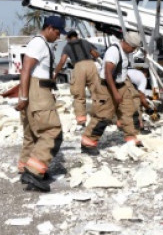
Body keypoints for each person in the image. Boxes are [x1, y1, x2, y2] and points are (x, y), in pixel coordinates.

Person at [15, 16, 66, 192]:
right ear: (50, 28)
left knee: (32, 133)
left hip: (37, 89)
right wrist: (23, 97)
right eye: (58, 32)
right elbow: (26, 69)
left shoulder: (43, 44)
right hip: (38, 90)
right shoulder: (38, 43)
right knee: (52, 130)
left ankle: (25, 166)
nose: (58, 37)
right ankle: (34, 172)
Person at [80, 31, 142, 154]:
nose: (134, 50)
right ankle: (88, 143)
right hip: (107, 87)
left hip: (121, 85)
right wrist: (115, 93)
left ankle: (132, 139)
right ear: (127, 43)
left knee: (130, 111)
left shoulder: (126, 52)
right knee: (103, 116)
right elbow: (108, 73)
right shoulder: (114, 51)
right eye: (133, 48)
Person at [52, 31, 100, 131]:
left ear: (68, 38)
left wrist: (55, 73)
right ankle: (99, 116)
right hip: (91, 65)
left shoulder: (67, 46)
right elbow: (95, 54)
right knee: (96, 93)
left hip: (78, 66)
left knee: (79, 95)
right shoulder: (85, 42)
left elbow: (62, 61)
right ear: (77, 36)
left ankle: (81, 120)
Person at [126, 68, 154, 135]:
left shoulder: (134, 72)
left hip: (119, 78)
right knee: (138, 105)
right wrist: (148, 108)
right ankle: (140, 128)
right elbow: (141, 95)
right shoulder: (143, 79)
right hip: (125, 80)